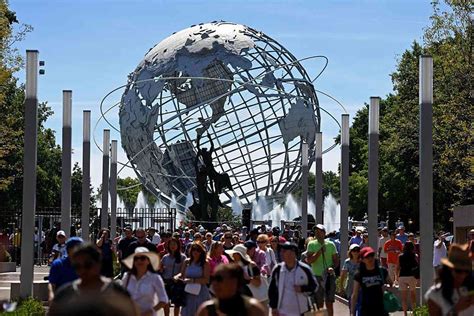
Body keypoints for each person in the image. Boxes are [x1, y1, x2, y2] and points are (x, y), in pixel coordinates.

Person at [50, 243, 137, 316]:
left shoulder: (117, 292)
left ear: (98, 263)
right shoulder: (65, 293)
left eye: (88, 265)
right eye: (77, 266)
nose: (83, 270)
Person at [268, 242, 318, 316]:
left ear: (295, 254)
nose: (287, 256)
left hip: (301, 311)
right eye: (284, 253)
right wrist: (273, 307)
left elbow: (314, 286)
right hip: (282, 311)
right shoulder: (277, 269)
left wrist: (302, 289)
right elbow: (272, 289)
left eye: (290, 253)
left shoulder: (305, 269)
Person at [196, 263, 266, 316]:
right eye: (214, 278)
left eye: (219, 279)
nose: (214, 283)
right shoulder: (206, 310)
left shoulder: (252, 309)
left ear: (234, 282)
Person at [425, 243, 474, 316]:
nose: (463, 275)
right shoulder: (435, 294)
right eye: (458, 271)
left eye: (466, 271)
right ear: (449, 269)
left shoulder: (470, 290)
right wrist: (456, 309)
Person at [122, 247, 169, 316]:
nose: (139, 261)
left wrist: (150, 311)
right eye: (136, 259)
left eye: (142, 258)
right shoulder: (127, 276)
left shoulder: (155, 278)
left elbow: (164, 300)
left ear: (148, 261)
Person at [306, 224, 339, 316]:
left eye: (320, 231)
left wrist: (332, 267)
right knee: (319, 303)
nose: (317, 233)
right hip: (317, 277)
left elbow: (336, 260)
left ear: (324, 233)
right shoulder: (311, 244)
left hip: (329, 277)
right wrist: (319, 252)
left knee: (329, 303)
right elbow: (309, 260)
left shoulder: (331, 244)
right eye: (316, 232)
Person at [351, 247, 393, 316]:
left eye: (372, 256)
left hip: (381, 309)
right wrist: (352, 312)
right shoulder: (359, 274)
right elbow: (355, 294)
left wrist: (386, 288)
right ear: (362, 260)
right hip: (366, 309)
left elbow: (390, 283)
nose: (370, 259)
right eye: (367, 257)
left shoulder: (382, 271)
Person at [176, 242, 211, 316]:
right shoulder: (187, 261)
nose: (195, 252)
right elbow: (182, 274)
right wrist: (176, 277)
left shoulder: (205, 263)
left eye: (198, 250)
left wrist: (192, 280)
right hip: (188, 292)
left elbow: (206, 280)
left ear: (201, 252)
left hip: (201, 293)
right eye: (193, 250)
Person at [48, 237, 84, 302]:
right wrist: (51, 295)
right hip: (62, 301)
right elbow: (52, 283)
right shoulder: (58, 264)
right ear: (68, 250)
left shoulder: (86, 266)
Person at [159, 237, 186, 316]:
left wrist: (177, 276)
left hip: (177, 282)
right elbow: (160, 269)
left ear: (178, 245)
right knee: (166, 302)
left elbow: (183, 271)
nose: (173, 246)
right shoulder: (165, 257)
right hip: (166, 282)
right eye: (171, 244)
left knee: (177, 304)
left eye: (174, 244)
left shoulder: (183, 257)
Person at [398, 241, 419, 316]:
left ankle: (405, 314)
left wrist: (397, 277)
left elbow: (398, 267)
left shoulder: (400, 256)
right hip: (411, 276)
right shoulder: (415, 255)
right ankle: (414, 313)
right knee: (413, 295)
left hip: (402, 276)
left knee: (404, 298)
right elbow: (417, 266)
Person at [340, 244, 361, 313]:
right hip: (350, 285)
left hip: (361, 285)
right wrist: (341, 287)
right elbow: (343, 274)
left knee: (360, 306)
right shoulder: (347, 262)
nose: (356, 252)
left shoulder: (362, 262)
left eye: (357, 250)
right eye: (354, 250)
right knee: (352, 306)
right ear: (350, 252)